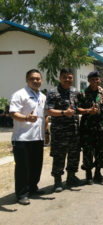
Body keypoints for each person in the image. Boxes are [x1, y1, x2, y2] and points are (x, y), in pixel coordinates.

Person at [9, 69, 48, 205]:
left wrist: (47, 132)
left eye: (38, 79)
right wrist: (26, 117)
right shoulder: (19, 94)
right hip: (22, 138)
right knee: (22, 167)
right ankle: (21, 194)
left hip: (37, 137)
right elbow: (13, 113)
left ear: (41, 80)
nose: (36, 81)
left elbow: (44, 116)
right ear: (27, 80)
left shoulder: (42, 96)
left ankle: (33, 188)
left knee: (36, 165)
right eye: (32, 79)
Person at [46, 68, 82, 192]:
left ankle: (71, 177)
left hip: (74, 131)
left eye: (70, 77)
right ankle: (58, 181)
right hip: (59, 132)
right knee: (59, 157)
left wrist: (88, 110)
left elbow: (79, 108)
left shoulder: (75, 92)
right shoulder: (53, 92)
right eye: (65, 77)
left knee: (74, 156)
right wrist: (63, 113)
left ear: (73, 78)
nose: (67, 79)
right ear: (60, 77)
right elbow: (49, 111)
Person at [78, 71, 103, 184]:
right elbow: (78, 109)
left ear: (100, 80)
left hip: (100, 129)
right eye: (92, 79)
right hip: (87, 129)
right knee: (88, 153)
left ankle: (98, 173)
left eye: (97, 79)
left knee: (100, 152)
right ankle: (88, 175)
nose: (95, 81)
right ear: (89, 80)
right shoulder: (83, 93)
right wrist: (88, 111)